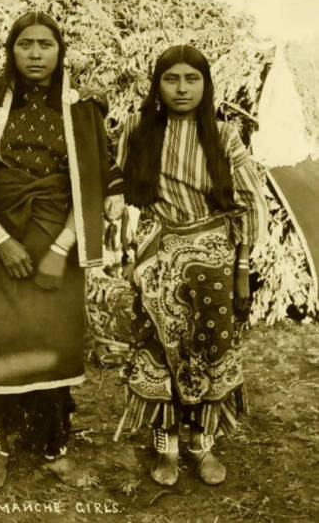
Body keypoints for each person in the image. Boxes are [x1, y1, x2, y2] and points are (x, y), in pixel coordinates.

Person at [0, 11, 124, 489]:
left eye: (45, 44)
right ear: (11, 50)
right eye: (25, 44)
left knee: (55, 344)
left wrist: (62, 247)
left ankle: (53, 446)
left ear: (60, 50)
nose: (35, 54)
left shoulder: (82, 107)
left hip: (58, 240)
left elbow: (89, 183)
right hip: (1, 242)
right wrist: (2, 240)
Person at [114, 45, 267, 486]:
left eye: (192, 79)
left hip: (214, 259)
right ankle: (167, 444)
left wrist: (241, 269)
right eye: (171, 79)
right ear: (157, 86)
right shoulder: (136, 129)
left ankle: (201, 441)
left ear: (205, 85)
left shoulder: (223, 136)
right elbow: (95, 156)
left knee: (208, 347)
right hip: (157, 254)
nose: (182, 88)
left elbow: (250, 200)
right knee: (158, 347)